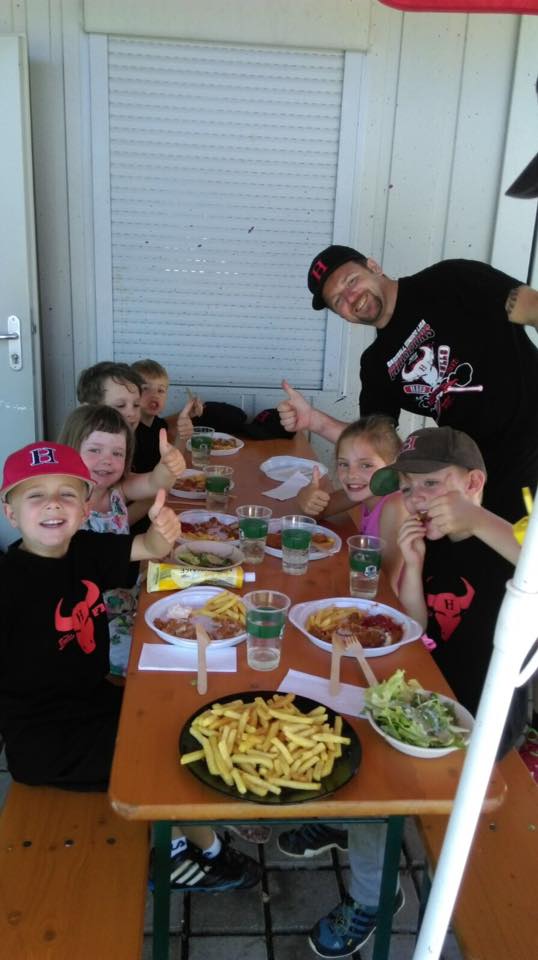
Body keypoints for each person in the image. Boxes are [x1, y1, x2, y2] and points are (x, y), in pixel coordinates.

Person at [281, 425, 525, 959]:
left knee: (375, 772)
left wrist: (478, 519)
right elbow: (419, 631)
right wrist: (412, 569)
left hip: (480, 716)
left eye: (432, 484)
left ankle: (374, 897)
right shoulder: (428, 541)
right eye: (410, 488)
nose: (418, 499)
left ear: (474, 482)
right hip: (426, 688)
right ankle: (345, 819)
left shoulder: (509, 541)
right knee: (333, 710)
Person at [0, 441, 262, 893]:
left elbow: (148, 546)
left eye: (67, 493)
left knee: (177, 716)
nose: (53, 504)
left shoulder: (83, 548)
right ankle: (184, 855)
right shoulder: (8, 585)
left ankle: (196, 836)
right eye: (35, 495)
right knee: (163, 755)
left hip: (94, 698)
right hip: (45, 739)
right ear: (11, 514)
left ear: (85, 508)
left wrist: (164, 528)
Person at [278, 245, 538, 522]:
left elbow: (532, 306)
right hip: (477, 474)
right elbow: (375, 444)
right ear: (341, 315)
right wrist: (313, 420)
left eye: (351, 281)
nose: (351, 298)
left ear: (373, 267)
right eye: (338, 300)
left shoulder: (450, 279)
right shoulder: (376, 364)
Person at [58, 404, 185, 676]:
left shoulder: (117, 490)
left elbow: (155, 482)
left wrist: (168, 466)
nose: (107, 460)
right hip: (95, 618)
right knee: (152, 658)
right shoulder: (65, 507)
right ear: (70, 451)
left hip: (131, 596)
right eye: (95, 450)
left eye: (117, 453)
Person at [296, 414, 406, 590]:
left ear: (393, 466)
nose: (351, 475)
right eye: (343, 464)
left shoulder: (396, 506)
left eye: (366, 465)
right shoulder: (366, 491)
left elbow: (386, 585)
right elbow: (319, 511)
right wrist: (305, 496)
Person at [131, 358, 204, 473]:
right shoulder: (129, 432)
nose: (154, 395)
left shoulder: (156, 423)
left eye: (160, 390)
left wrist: (187, 414)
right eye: (145, 388)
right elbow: (170, 471)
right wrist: (182, 435)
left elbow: (166, 423)